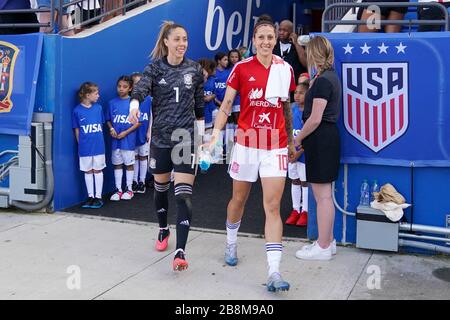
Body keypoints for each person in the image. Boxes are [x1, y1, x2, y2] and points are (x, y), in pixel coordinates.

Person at [206, 15, 296, 292]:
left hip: (275, 144)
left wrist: (291, 143)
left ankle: (274, 271)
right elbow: (226, 105)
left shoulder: (285, 69)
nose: (267, 42)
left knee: (272, 207)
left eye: (271, 37)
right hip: (246, 142)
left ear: (275, 39)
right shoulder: (242, 69)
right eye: (262, 37)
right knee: (239, 199)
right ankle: (231, 242)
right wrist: (213, 138)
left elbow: (286, 109)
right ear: (254, 41)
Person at [128, 21, 205, 272]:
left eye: (185, 39)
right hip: (160, 138)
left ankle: (180, 251)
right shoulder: (154, 68)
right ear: (166, 42)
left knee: (183, 193)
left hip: (185, 137)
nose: (182, 44)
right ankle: (163, 228)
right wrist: (134, 107)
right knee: (161, 188)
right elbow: (139, 91)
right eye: (177, 39)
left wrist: (202, 140)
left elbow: (200, 108)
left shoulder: (194, 69)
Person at [294, 36, 341, 261]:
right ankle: (327, 241)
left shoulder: (324, 80)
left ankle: (323, 246)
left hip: (321, 139)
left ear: (315, 53)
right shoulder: (324, 78)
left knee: (322, 196)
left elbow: (314, 119)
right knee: (324, 195)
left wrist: (297, 139)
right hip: (322, 139)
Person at [106, 75, 140, 201]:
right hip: (116, 142)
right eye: (119, 86)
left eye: (125, 87)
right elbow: (108, 119)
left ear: (130, 88)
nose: (121, 89)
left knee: (129, 164)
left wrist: (126, 132)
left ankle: (129, 189)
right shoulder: (111, 103)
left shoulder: (133, 103)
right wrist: (111, 129)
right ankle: (118, 189)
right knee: (117, 164)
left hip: (128, 141)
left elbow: (138, 122)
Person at [72, 82, 105, 209]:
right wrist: (81, 145)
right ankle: (90, 196)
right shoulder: (77, 111)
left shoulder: (98, 108)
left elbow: (101, 125)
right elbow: (77, 130)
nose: (98, 96)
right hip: (85, 148)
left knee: (97, 170)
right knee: (88, 171)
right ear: (87, 95)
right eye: (96, 93)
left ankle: (98, 197)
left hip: (98, 147)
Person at [285, 81, 309, 227]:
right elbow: (286, 130)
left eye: (301, 93)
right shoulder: (291, 109)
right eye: (296, 93)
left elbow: (310, 134)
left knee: (305, 181)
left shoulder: (309, 112)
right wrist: (288, 149)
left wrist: (299, 152)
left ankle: (305, 210)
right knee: (294, 180)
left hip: (303, 154)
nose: (297, 95)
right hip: (291, 153)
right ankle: (296, 209)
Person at [130, 73, 152, 194]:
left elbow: (151, 117)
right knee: (134, 157)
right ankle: (134, 181)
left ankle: (142, 181)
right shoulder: (131, 101)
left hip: (144, 133)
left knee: (143, 157)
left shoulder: (149, 99)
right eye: (136, 83)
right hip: (132, 134)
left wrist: (149, 132)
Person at [273, 20, 307, 86]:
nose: (281, 33)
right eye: (280, 30)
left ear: (291, 32)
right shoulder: (274, 45)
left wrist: (296, 43)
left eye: (285, 30)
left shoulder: (298, 46)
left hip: (294, 85)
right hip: (277, 84)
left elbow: (305, 63)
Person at [198, 58, 217, 144]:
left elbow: (215, 93)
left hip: (210, 109)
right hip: (199, 112)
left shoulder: (212, 79)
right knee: (200, 133)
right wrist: (203, 98)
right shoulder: (195, 82)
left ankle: (208, 151)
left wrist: (212, 96)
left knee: (210, 131)